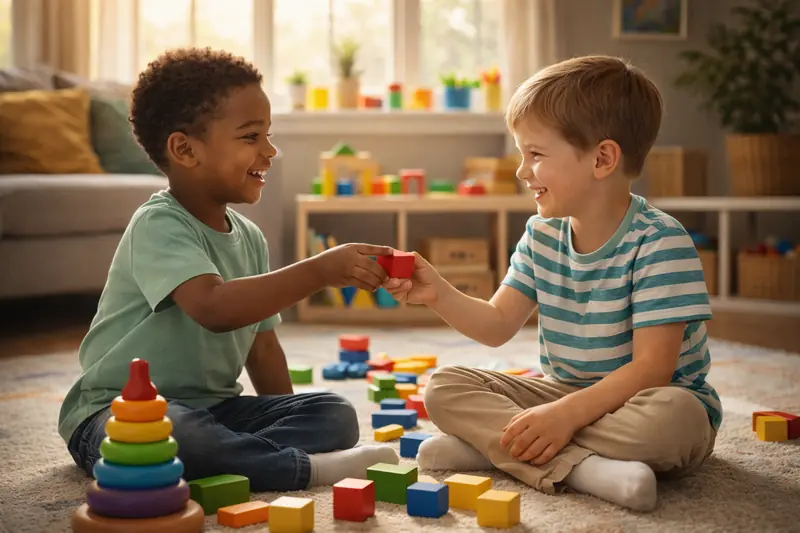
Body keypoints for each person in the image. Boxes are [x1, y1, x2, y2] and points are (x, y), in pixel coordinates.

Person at [382, 55, 721, 512]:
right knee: (444, 387)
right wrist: (437, 292)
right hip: (563, 393)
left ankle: (500, 447)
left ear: (602, 159)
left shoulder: (661, 241)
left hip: (648, 400)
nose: (522, 171)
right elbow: (497, 324)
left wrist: (564, 417)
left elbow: (652, 370)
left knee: (674, 422)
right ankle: (582, 467)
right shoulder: (541, 235)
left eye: (536, 155)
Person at [58, 47, 399, 492]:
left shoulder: (250, 238)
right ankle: (304, 469)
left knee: (334, 414)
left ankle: (241, 458)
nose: (270, 150)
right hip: (120, 413)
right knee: (179, 433)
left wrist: (283, 412)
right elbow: (213, 308)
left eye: (268, 135)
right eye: (251, 136)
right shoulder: (158, 224)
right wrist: (317, 272)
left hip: (216, 411)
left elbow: (263, 349)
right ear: (185, 149)